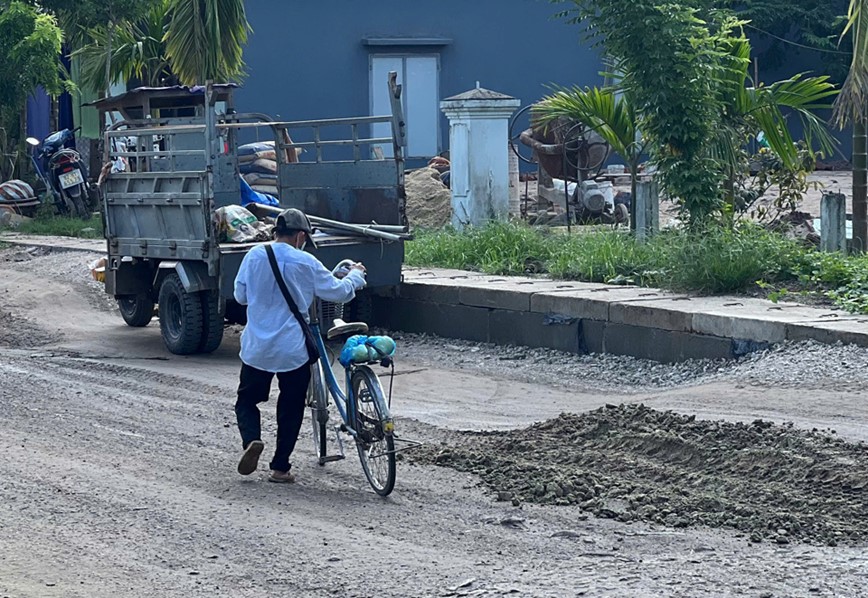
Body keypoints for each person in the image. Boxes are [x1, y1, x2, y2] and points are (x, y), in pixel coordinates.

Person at [233, 208, 366, 483]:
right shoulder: (306, 262)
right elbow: (339, 292)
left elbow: (241, 296)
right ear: (301, 236)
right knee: (291, 406)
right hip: (292, 349)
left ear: (276, 232)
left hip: (257, 347)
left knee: (246, 400)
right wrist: (355, 275)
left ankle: (252, 440)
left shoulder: (254, 255)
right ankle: (280, 467)